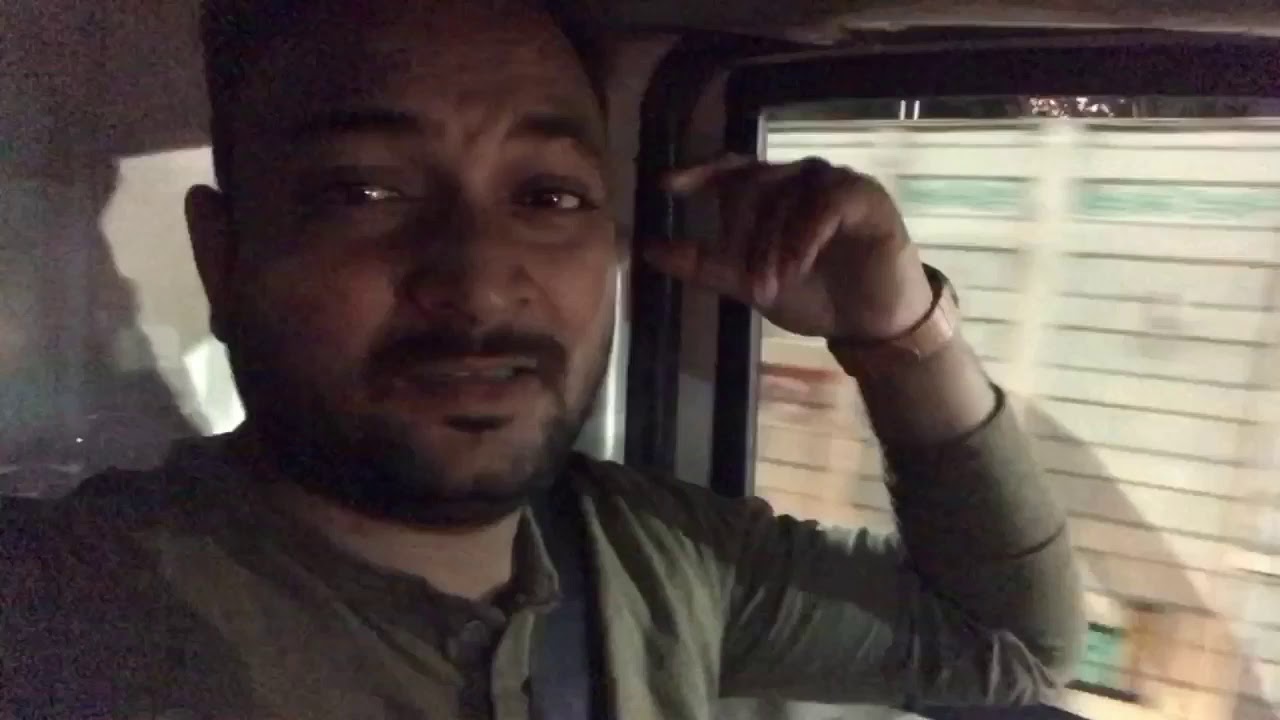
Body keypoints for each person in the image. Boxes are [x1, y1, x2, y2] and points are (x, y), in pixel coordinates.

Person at [0, 1, 1084, 718]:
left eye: (549, 196)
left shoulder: (656, 557)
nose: (479, 282)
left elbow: (1005, 644)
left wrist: (898, 333)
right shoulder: (68, 614)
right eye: (364, 190)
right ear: (223, 257)